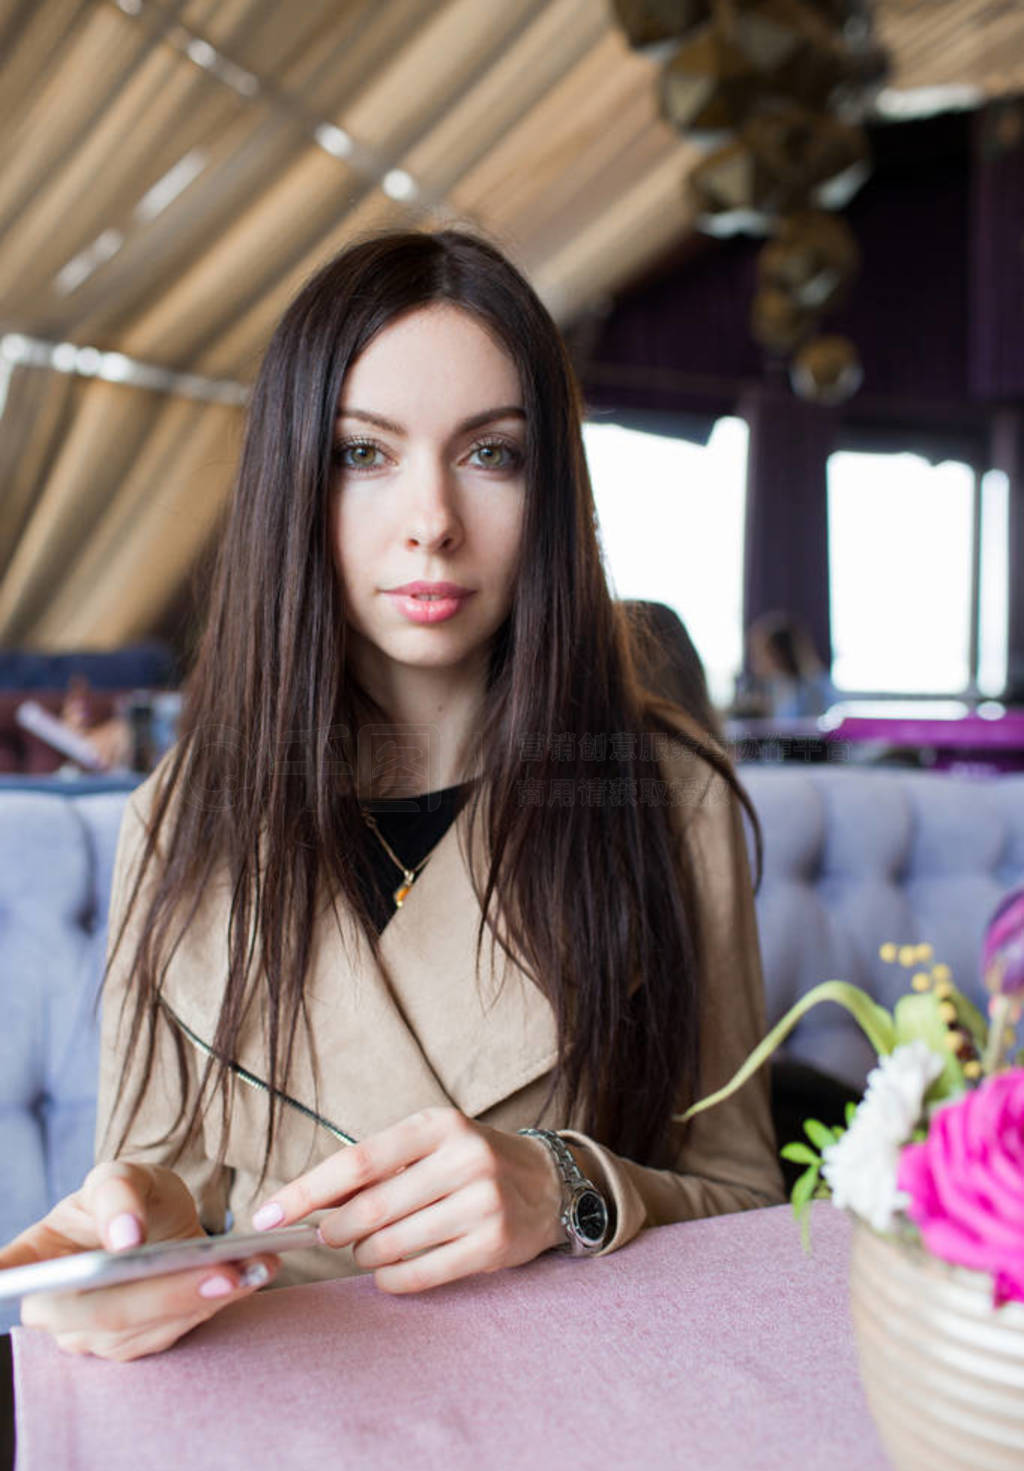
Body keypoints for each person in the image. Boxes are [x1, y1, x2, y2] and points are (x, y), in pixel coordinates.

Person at [0, 230, 783, 1362]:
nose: (431, 521)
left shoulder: (666, 797)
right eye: (363, 455)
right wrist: (138, 1243)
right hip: (288, 1394)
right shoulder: (183, 815)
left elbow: (750, 1200)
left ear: (552, 490)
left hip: (580, 1411)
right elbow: (153, 1186)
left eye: (492, 456)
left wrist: (569, 1185)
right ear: (292, 484)